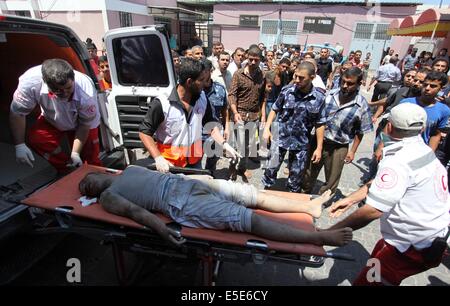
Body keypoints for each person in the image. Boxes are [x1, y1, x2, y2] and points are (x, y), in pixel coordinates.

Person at [328, 103, 450, 286]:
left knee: (369, 283)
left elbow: (373, 211)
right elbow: (388, 183)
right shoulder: (422, 150)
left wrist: (330, 233)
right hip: (423, 239)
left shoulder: (398, 160)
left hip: (411, 247)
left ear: (389, 126)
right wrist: (352, 198)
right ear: (422, 128)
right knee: (375, 264)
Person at [79, 165, 353, 246]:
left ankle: (309, 208)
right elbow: (136, 213)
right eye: (85, 189)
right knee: (247, 219)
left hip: (188, 182)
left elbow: (164, 170)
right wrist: (164, 232)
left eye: (87, 180)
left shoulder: (126, 170)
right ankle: (318, 237)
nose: (87, 185)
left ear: (99, 173)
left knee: (253, 195)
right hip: (178, 202)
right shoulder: (108, 196)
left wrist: (200, 176)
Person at [138, 58, 239, 172]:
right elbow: (144, 132)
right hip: (169, 164)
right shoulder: (162, 103)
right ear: (189, 82)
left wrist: (224, 144)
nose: (205, 84)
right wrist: (158, 158)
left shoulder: (202, 98)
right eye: (201, 80)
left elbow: (210, 125)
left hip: (194, 163)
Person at [10, 59, 102, 173]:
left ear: (73, 79)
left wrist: (75, 153)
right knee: (38, 139)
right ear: (45, 82)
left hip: (82, 121)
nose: (64, 93)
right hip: (52, 116)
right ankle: (66, 168)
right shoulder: (30, 83)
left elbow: (84, 125)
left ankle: (94, 175)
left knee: (91, 157)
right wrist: (19, 145)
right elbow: (18, 112)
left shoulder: (86, 94)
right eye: (57, 90)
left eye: (68, 88)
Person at [302, 67, 373, 195]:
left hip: (339, 147)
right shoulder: (329, 95)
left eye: (350, 84)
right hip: (319, 142)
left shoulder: (362, 105)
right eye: (343, 81)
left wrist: (352, 151)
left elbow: (360, 131)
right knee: (308, 172)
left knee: (332, 179)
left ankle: (321, 200)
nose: (345, 86)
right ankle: (303, 194)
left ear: (359, 84)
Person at [262, 62, 326, 193]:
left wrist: (319, 148)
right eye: (296, 76)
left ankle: (289, 201)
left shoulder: (319, 98)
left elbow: (320, 123)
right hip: (279, 138)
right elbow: (274, 109)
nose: (296, 80)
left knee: (295, 178)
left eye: (301, 78)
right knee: (270, 169)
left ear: (312, 77)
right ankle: (265, 193)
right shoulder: (287, 91)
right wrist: (267, 128)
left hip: (301, 143)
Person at [228, 46, 266, 180]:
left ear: (260, 59)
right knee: (236, 143)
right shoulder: (238, 74)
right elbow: (232, 95)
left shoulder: (263, 75)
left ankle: (242, 168)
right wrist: (235, 111)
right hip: (239, 115)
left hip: (254, 117)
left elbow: (263, 97)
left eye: (256, 60)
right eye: (251, 59)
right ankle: (232, 167)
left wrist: (263, 116)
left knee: (247, 146)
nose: (253, 63)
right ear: (246, 57)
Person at [398, 71, 450, 151]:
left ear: (441, 89)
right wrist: (380, 148)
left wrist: (429, 154)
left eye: (433, 86)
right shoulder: (406, 102)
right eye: (425, 85)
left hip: (419, 151)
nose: (427, 88)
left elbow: (436, 134)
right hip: (397, 148)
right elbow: (391, 126)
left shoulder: (444, 110)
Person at [203, 60, 230, 172]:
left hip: (216, 132)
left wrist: (227, 127)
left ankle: (210, 175)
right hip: (197, 133)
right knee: (194, 162)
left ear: (211, 71)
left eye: (205, 71)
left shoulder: (220, 89)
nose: (202, 74)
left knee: (213, 160)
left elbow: (225, 110)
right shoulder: (194, 90)